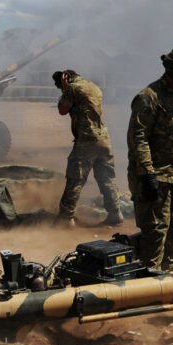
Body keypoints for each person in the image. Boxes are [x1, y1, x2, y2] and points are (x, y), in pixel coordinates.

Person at [127, 46, 173, 272]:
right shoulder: (149, 98)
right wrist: (147, 174)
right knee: (156, 232)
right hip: (156, 179)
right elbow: (137, 138)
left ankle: (169, 280)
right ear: (172, 71)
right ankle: (151, 283)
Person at [53, 69, 123, 227]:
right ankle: (115, 213)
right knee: (107, 178)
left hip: (87, 140)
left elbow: (62, 110)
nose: (62, 89)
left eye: (61, 86)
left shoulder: (72, 88)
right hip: (103, 139)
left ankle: (65, 218)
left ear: (67, 78)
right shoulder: (93, 86)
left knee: (75, 179)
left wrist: (65, 89)